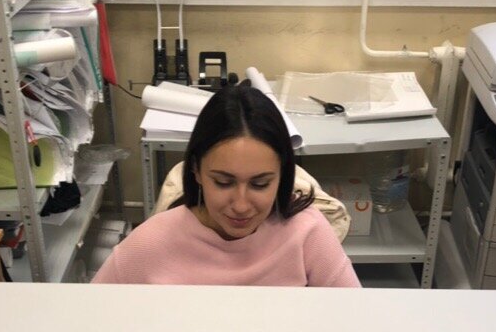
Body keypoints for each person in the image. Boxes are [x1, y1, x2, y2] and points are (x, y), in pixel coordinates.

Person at [92, 83, 360, 287]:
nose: (241, 206)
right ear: (196, 170)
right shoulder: (150, 243)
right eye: (222, 182)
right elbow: (90, 318)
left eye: (260, 184)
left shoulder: (307, 232)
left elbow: (354, 318)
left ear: (282, 176)